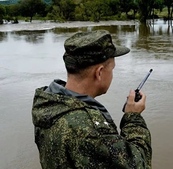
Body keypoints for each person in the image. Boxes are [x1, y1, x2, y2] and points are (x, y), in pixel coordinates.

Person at [32, 30, 152, 169]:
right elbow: (138, 164)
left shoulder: (48, 104)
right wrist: (133, 117)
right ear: (99, 72)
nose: (112, 74)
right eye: (112, 69)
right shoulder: (91, 130)